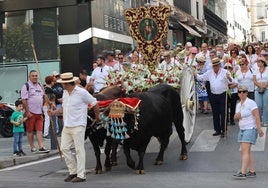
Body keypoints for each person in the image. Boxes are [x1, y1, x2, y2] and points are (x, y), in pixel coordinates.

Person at [48, 72, 101, 183]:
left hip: (78, 125)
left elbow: (94, 103)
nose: (61, 85)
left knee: (79, 150)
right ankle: (73, 171)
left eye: (63, 83)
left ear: (67, 83)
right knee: (64, 148)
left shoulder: (82, 92)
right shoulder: (65, 93)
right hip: (67, 125)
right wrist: (54, 113)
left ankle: (81, 175)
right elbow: (63, 108)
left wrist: (97, 117)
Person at [232, 85, 264, 180]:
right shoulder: (238, 105)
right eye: (240, 92)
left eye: (244, 91)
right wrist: (237, 116)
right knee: (246, 151)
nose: (242, 93)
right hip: (242, 128)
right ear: (238, 93)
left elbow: (257, 116)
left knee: (245, 150)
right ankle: (252, 171)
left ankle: (243, 172)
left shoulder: (251, 103)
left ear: (247, 93)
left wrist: (259, 129)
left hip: (250, 128)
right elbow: (235, 118)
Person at [196, 57, 232, 137]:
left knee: (223, 113)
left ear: (219, 65)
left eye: (216, 65)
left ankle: (223, 130)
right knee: (215, 112)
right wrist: (195, 74)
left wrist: (228, 77)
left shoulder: (225, 72)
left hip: (223, 94)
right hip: (213, 95)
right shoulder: (209, 73)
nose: (215, 67)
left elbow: (232, 81)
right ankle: (217, 130)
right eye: (214, 66)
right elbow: (200, 78)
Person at [20, 70, 50, 153]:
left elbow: (43, 96)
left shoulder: (40, 85)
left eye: (36, 75)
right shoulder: (26, 86)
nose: (35, 77)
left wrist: (44, 103)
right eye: (33, 76)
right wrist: (27, 111)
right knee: (30, 130)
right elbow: (24, 100)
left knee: (39, 130)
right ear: (29, 77)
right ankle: (32, 147)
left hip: (39, 112)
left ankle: (41, 147)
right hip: (30, 112)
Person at [253, 56, 268, 126]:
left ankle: (265, 120)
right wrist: (260, 86)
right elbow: (254, 80)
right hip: (257, 88)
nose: (258, 63)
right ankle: (259, 120)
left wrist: (264, 86)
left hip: (267, 88)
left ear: (263, 63)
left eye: (259, 62)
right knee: (258, 105)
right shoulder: (255, 70)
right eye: (257, 62)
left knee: (265, 105)